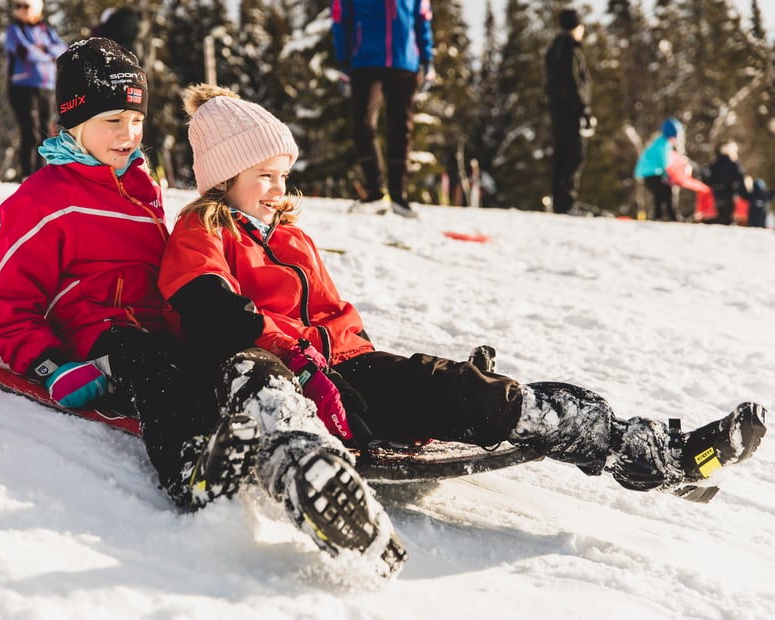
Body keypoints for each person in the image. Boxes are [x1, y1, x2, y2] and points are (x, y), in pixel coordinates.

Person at [160, 85, 767, 538]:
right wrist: (291, 350)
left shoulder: (290, 237)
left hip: (349, 371)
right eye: (263, 176)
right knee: (411, 389)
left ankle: (651, 451)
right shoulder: (201, 229)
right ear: (221, 178)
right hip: (285, 381)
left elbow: (339, 313)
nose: (278, 190)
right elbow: (208, 309)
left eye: (284, 175)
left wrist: (363, 362)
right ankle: (317, 473)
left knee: (481, 394)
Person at [0, 39, 406, 579]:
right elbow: (6, 305)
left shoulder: (140, 188)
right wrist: (48, 365)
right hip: (102, 341)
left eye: (136, 119)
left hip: (162, 331)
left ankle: (299, 463)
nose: (129, 135)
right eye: (112, 120)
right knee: (150, 366)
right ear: (72, 120)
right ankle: (191, 468)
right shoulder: (42, 199)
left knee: (233, 367)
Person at [331, 0, 435, 218]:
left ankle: (398, 196)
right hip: (365, 60)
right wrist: (343, 61)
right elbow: (341, 17)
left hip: (404, 62)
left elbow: (423, 18)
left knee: (401, 128)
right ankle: (375, 193)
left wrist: (427, 59)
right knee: (363, 124)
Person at [4, 0, 67, 180]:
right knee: (30, 130)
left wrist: (44, 49)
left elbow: (63, 50)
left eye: (25, 6)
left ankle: (42, 173)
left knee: (46, 131)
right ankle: (27, 173)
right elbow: (26, 52)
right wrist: (48, 56)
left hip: (46, 86)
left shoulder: (46, 30)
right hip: (22, 86)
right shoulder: (14, 30)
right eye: (17, 6)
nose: (21, 10)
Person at [544, 8, 594, 215]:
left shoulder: (555, 48)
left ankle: (561, 203)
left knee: (562, 157)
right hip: (569, 112)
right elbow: (572, 83)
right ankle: (567, 203)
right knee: (573, 156)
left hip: (558, 112)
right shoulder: (569, 50)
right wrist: (583, 109)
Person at [634, 118, 685, 221]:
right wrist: (668, 175)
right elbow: (664, 162)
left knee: (659, 195)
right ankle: (673, 217)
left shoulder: (661, 141)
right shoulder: (664, 144)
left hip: (649, 173)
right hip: (650, 173)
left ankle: (658, 216)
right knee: (667, 192)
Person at [702, 141, 750, 226]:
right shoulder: (733, 164)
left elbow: (707, 178)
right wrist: (745, 194)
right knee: (726, 217)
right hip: (728, 193)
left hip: (716, 193)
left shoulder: (714, 163)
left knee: (720, 215)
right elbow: (740, 178)